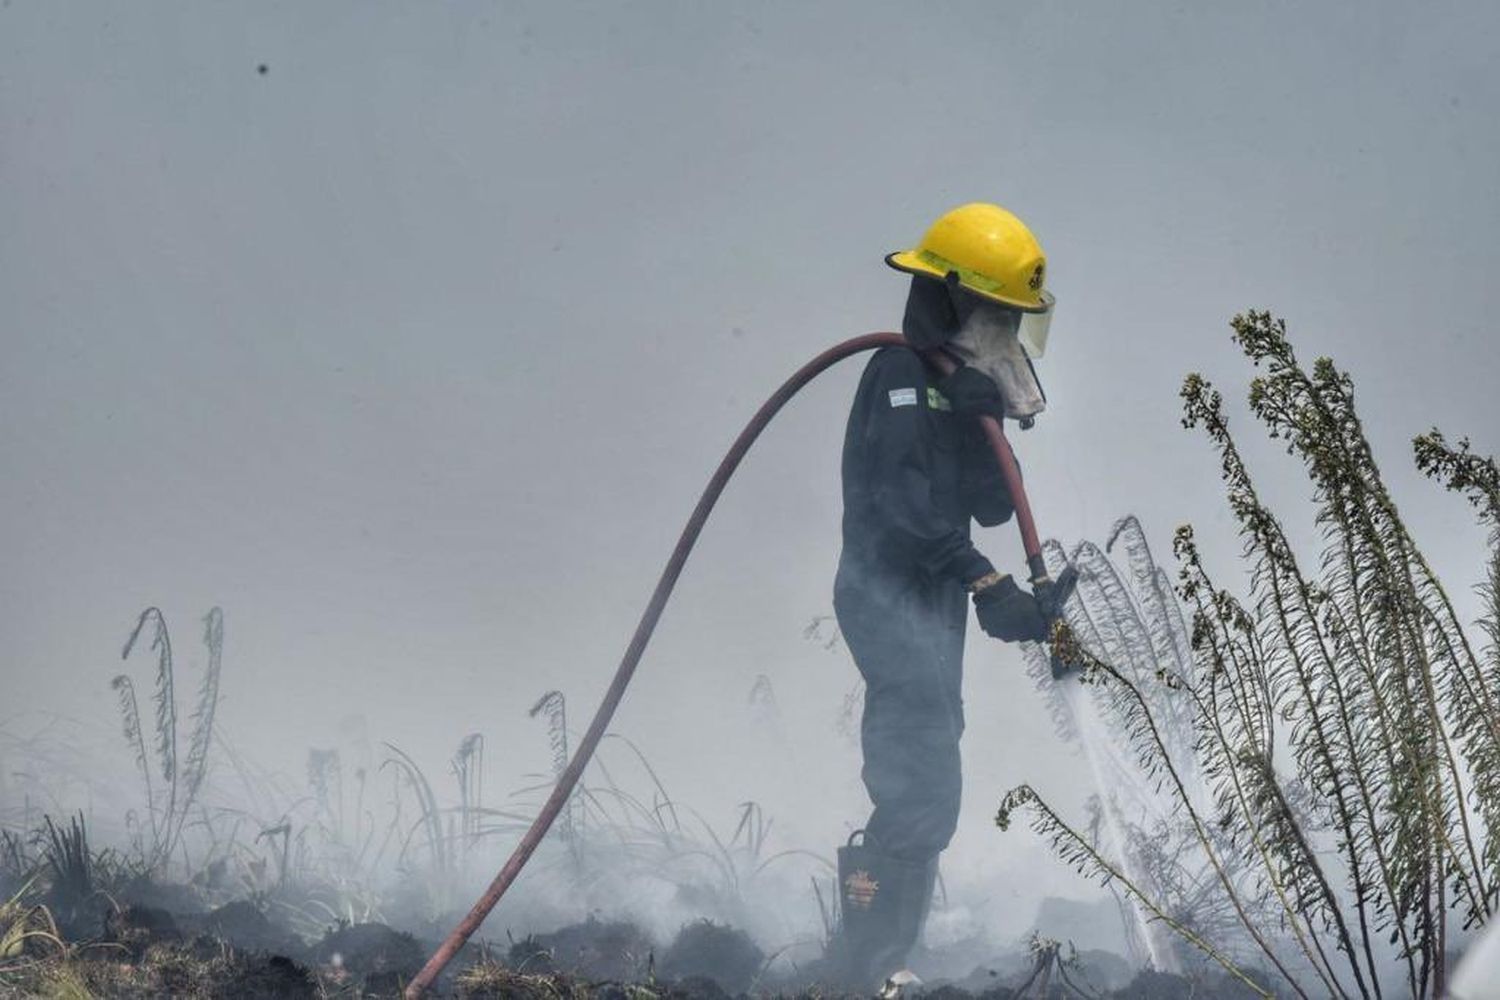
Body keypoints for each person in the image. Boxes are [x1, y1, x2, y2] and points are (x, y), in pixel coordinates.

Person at [829, 202, 1059, 989]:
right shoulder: (896, 373)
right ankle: (868, 971)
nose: (1005, 329)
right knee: (919, 774)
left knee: (930, 769)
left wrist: (978, 424)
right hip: (885, 594)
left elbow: (994, 508)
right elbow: (900, 511)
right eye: (998, 311)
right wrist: (984, 578)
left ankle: (882, 965)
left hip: (929, 604)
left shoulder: (954, 391)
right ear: (956, 301)